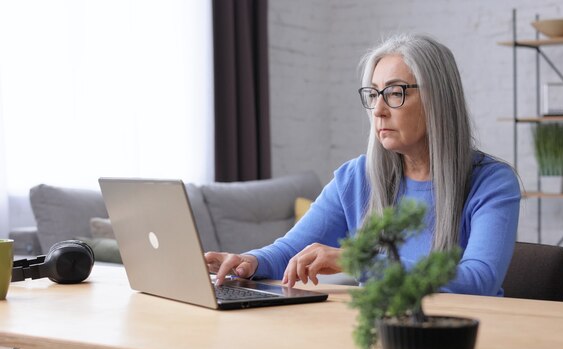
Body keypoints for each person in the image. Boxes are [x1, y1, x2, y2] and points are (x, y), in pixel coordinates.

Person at [205, 33, 521, 296]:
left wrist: (360, 260)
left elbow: (479, 280)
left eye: (395, 93)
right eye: (372, 94)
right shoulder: (357, 178)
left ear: (438, 99)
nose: (379, 110)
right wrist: (250, 261)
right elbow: (292, 249)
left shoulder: (491, 182)